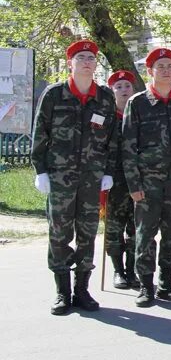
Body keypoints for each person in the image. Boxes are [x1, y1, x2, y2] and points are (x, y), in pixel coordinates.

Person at [32, 40, 117, 315]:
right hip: (59, 177)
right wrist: (41, 170)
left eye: (91, 58)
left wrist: (108, 172)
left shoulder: (104, 97)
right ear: (71, 62)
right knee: (59, 234)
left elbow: (112, 139)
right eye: (81, 57)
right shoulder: (54, 94)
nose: (86, 62)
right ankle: (62, 291)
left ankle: (82, 289)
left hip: (92, 179)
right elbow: (40, 134)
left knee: (87, 234)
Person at [122, 47, 171, 307]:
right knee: (145, 234)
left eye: (170, 66)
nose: (166, 70)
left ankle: (167, 284)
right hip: (147, 183)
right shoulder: (138, 103)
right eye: (160, 66)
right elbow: (128, 145)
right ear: (150, 71)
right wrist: (134, 184)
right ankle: (145, 285)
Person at [105, 70, 140, 289]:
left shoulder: (140, 115)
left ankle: (132, 270)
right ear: (112, 92)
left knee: (136, 228)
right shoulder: (107, 118)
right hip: (114, 181)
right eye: (119, 87)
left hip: (137, 181)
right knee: (114, 228)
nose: (124, 90)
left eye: (127, 86)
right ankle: (118, 271)